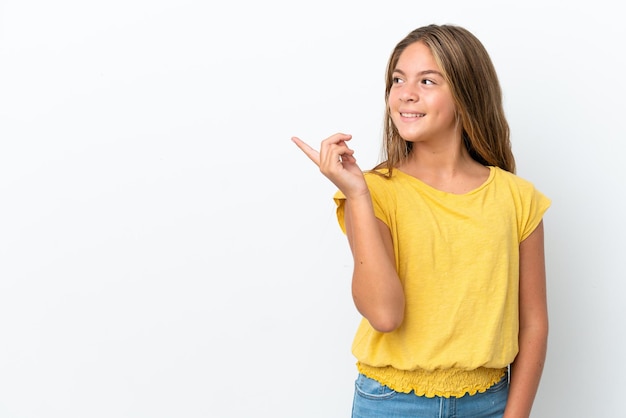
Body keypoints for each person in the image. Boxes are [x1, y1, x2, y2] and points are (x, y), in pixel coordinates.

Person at [291, 23, 550, 418]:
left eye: (427, 80)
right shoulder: (376, 192)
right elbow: (385, 314)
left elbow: (532, 324)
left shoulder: (517, 198)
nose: (406, 93)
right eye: (398, 79)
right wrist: (359, 194)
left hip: (490, 404)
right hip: (391, 404)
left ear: (466, 94)